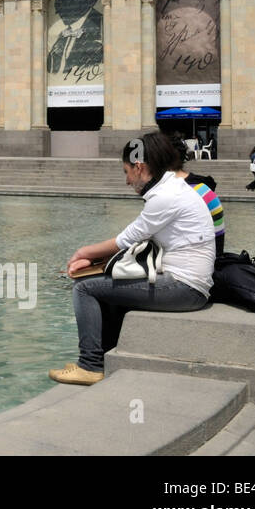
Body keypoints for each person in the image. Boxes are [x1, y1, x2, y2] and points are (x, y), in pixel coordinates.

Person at [50, 132, 214, 385]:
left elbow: (126, 240)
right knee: (103, 283)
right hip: (187, 283)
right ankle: (104, 357)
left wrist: (82, 254)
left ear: (139, 167)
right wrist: (95, 263)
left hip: (186, 288)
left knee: (84, 289)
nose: (127, 181)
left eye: (126, 172)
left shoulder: (165, 197)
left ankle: (90, 365)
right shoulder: (172, 187)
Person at [169, 134, 226, 257]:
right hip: (213, 261)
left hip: (189, 266)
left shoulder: (169, 194)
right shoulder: (205, 190)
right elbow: (218, 239)